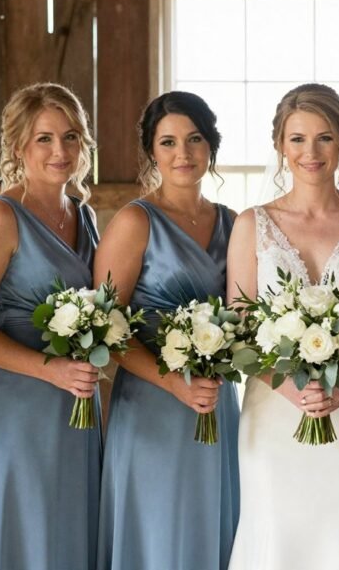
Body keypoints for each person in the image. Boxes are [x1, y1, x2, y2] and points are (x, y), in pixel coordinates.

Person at [225, 83, 339, 570]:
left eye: (324, 138)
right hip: (274, 410)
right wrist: (292, 389)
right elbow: (241, 332)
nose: (311, 152)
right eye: (297, 138)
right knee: (276, 533)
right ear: (281, 145)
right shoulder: (251, 224)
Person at [0, 83, 101, 569]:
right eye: (44, 139)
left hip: (76, 408)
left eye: (71, 136)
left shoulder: (85, 216)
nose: (60, 151)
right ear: (18, 146)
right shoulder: (0, 217)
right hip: (14, 411)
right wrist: (49, 370)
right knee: (21, 536)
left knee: (68, 533)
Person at [95, 91, 239, 570]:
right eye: (169, 142)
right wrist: (172, 381)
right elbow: (106, 329)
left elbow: (247, 314)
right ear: (152, 152)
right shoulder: (136, 221)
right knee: (158, 530)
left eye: (195, 139)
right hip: (153, 402)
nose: (183, 154)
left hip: (216, 402)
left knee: (213, 523)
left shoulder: (232, 223)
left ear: (211, 146)